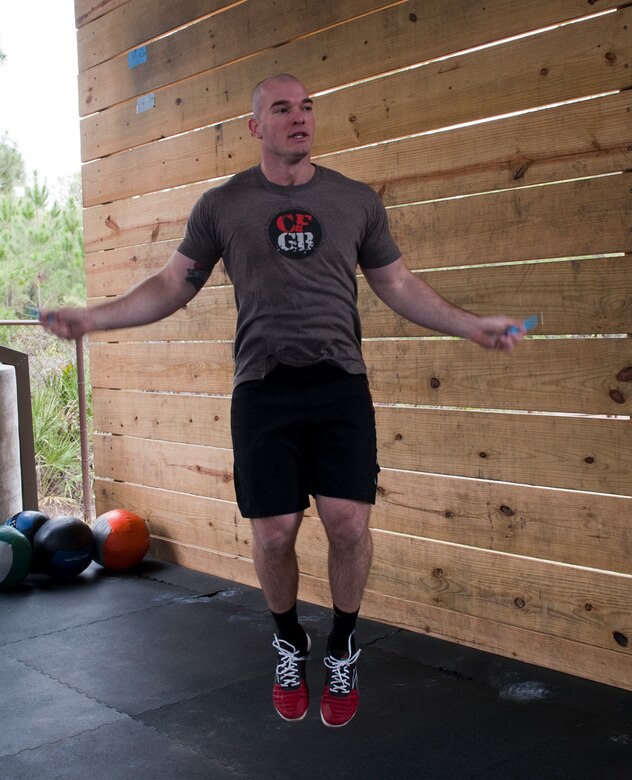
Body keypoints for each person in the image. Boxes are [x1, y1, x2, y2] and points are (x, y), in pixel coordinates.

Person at [42, 73, 525, 728]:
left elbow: (399, 284)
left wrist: (472, 325)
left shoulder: (354, 201)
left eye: (307, 106)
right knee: (274, 536)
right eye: (282, 109)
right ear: (255, 127)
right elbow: (170, 285)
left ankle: (344, 643)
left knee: (349, 523)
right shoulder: (224, 205)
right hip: (263, 389)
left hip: (339, 383)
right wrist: (94, 318)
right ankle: (288, 641)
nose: (299, 118)